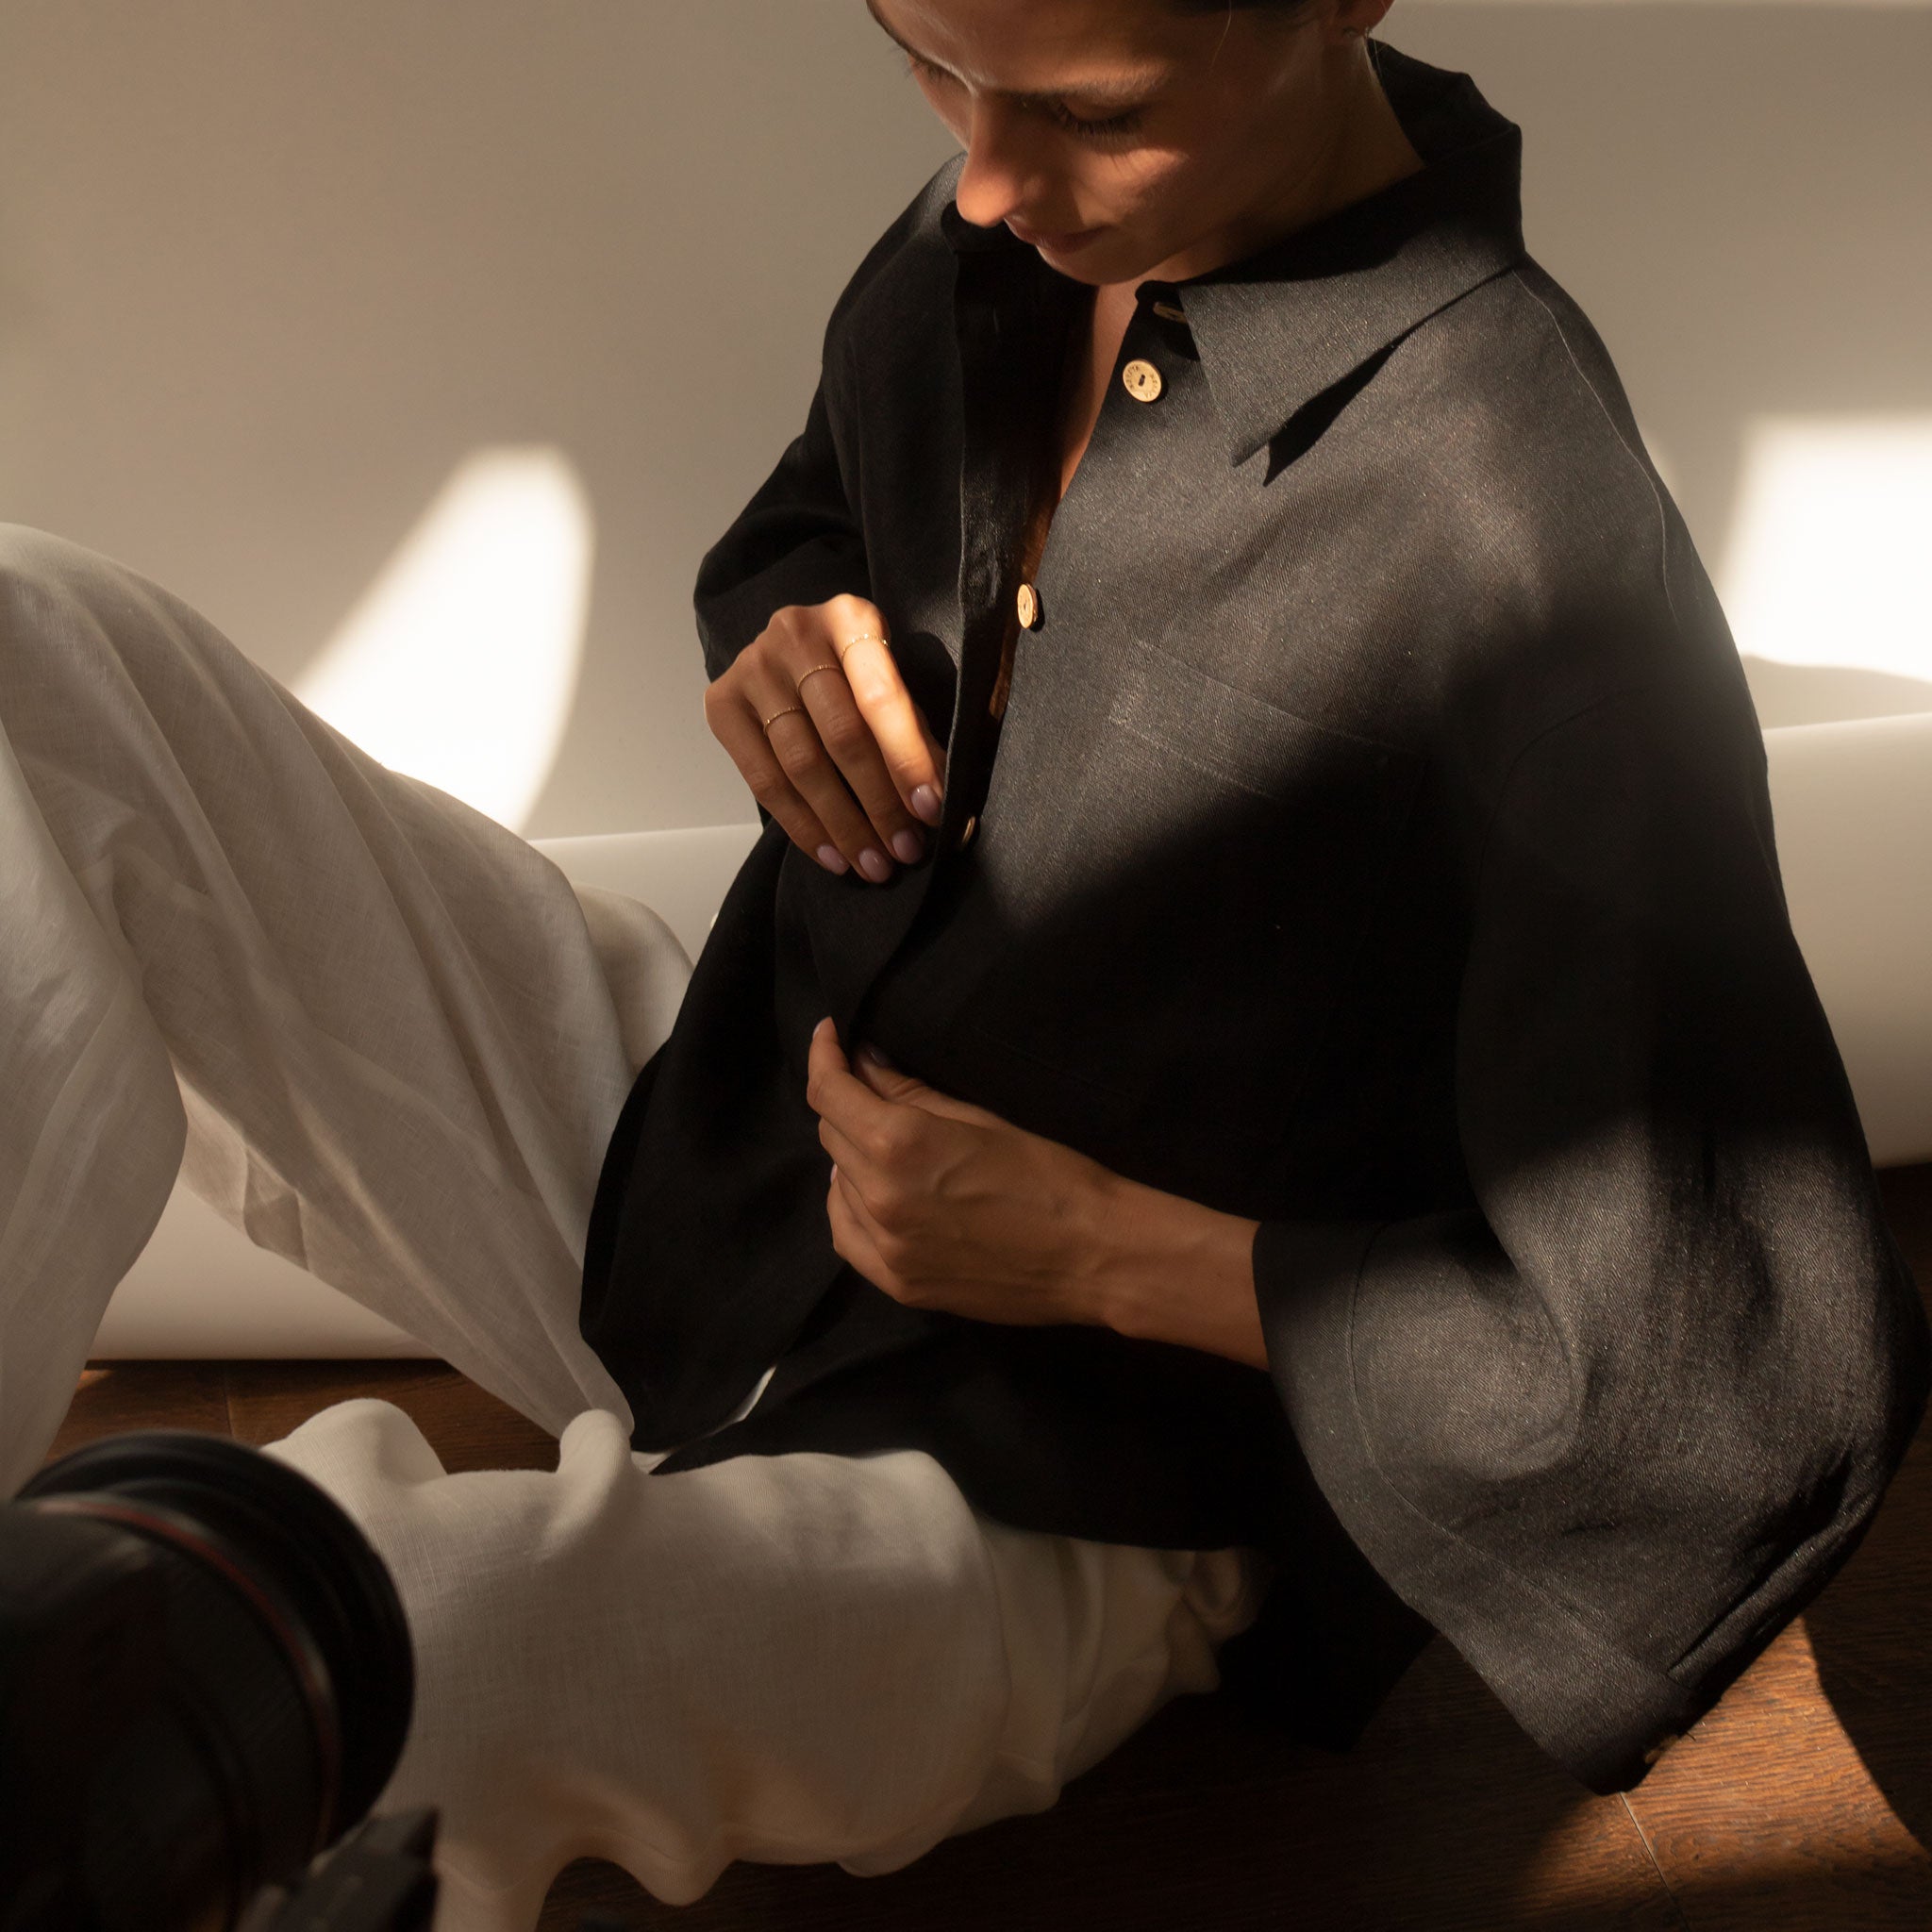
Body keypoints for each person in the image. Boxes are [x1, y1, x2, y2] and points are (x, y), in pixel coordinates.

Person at [0, 1, 1923, 1926]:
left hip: (1054, 1491)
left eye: (1093, 108)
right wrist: (784, 639)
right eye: (930, 64)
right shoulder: (1000, 242)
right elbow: (816, 513)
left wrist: (1088, 1248)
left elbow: (1720, 1379)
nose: (988, 180)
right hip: (729, 1163)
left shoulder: (1522, 520)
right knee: (31, 635)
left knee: (288, 1647)